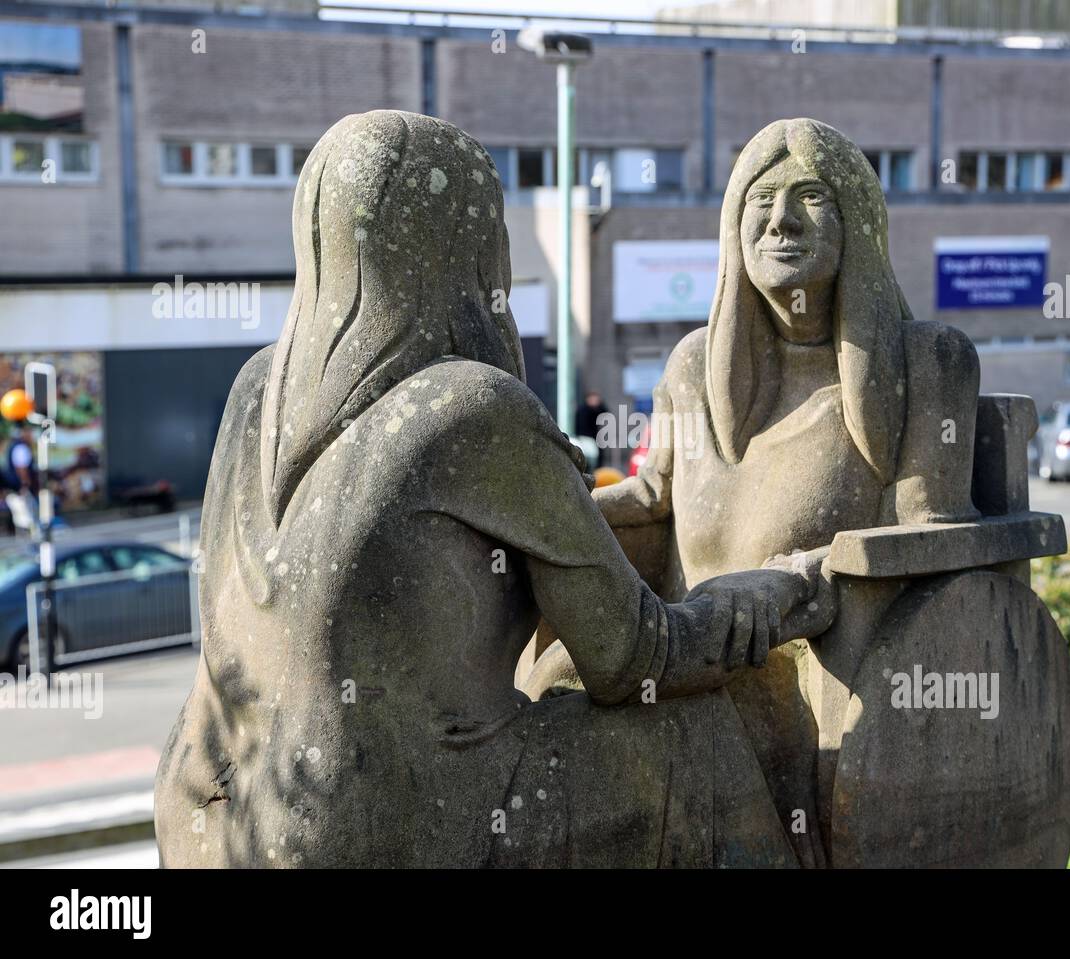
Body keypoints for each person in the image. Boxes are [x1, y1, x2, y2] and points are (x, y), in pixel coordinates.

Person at [154, 111, 832, 869]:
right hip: (380, 823)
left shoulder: (252, 391)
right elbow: (634, 658)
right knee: (693, 737)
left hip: (205, 812)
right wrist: (754, 602)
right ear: (468, 245)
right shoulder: (473, 408)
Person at [525, 118, 981, 865]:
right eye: (760, 199)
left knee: (590, 696)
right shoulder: (693, 367)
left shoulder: (929, 364)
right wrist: (543, 520)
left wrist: (792, 585)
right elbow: (650, 499)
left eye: (810, 197)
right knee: (557, 685)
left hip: (800, 678)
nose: (781, 221)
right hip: (673, 647)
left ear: (858, 221)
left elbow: (927, 545)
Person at [573, 390, 610, 466]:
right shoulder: (583, 409)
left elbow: (606, 412)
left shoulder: (597, 409)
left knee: (598, 456)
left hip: (594, 438)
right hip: (583, 438)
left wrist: (599, 404)